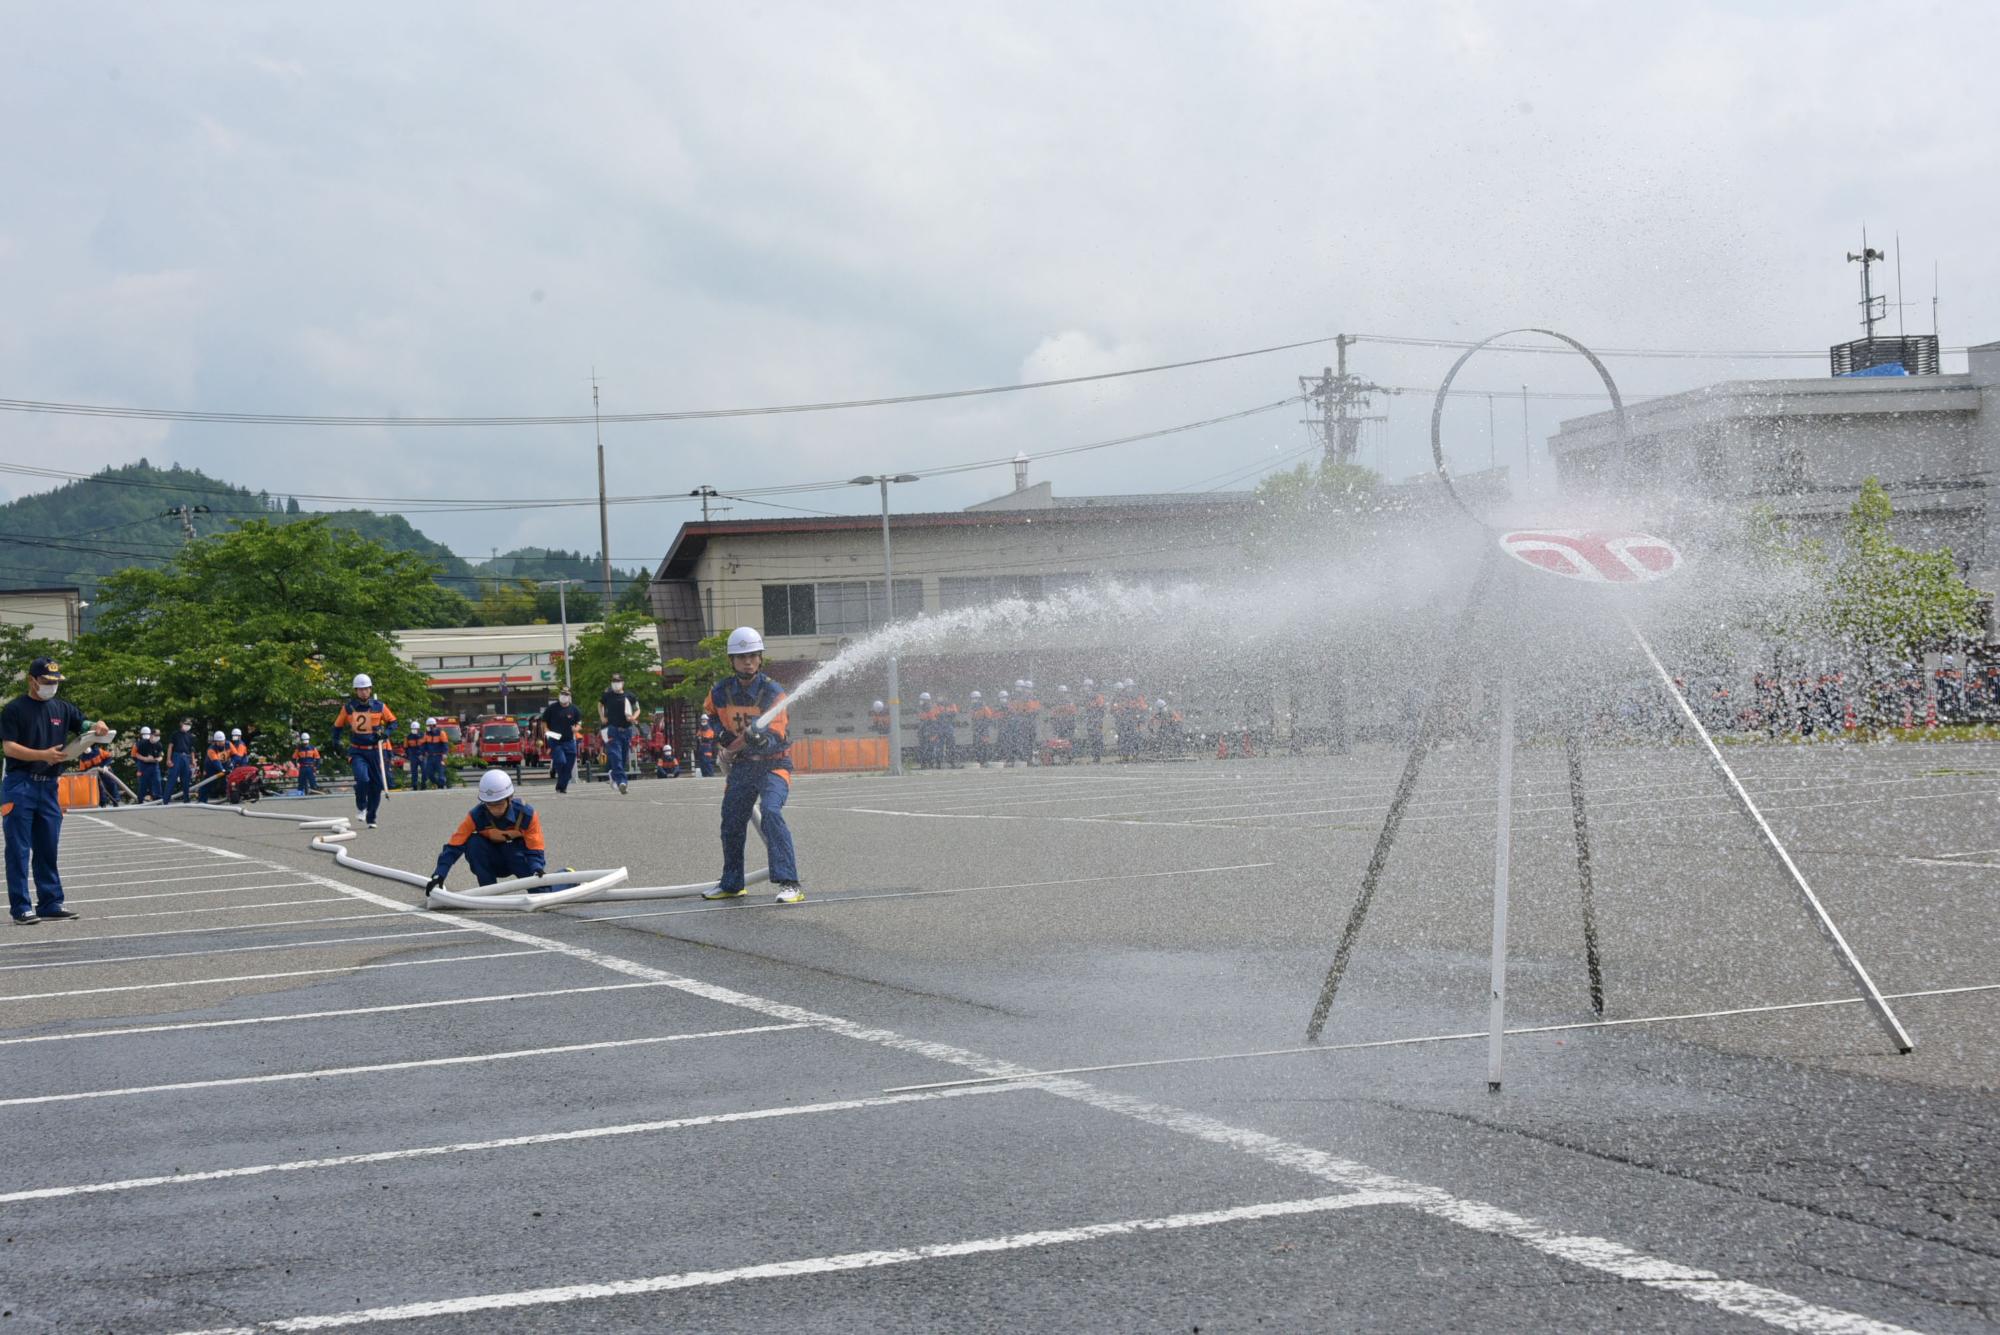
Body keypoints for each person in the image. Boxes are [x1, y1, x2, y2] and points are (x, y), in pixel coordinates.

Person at [701, 627, 804, 905]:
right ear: (731, 661)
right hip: (743, 767)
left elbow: (779, 733)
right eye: (741, 656)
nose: (748, 661)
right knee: (731, 820)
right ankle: (732, 883)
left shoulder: (772, 691)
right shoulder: (720, 691)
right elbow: (708, 715)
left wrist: (762, 738)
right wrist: (719, 735)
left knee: (770, 812)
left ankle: (790, 883)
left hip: (774, 765)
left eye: (753, 656)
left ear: (760, 659)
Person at [1, 656, 107, 924]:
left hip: (49, 785)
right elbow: (9, 748)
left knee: (48, 846)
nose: (51, 686)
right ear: (32, 680)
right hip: (20, 783)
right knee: (19, 849)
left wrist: (97, 727)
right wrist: (42, 754)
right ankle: (21, 908)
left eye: (55, 681)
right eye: (46, 681)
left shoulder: (62, 708)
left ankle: (50, 902)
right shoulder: (15, 710)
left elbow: (83, 725)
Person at [423, 769, 558, 893]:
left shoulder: (526, 815)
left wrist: (536, 869)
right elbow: (454, 846)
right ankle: (489, 891)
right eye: (490, 805)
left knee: (542, 893)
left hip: (518, 859)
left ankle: (566, 876)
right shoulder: (476, 816)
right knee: (473, 843)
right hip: (493, 860)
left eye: (499, 804)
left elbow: (535, 848)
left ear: (509, 798)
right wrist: (439, 874)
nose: (494, 810)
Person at [331, 672, 396, 828]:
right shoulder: (348, 708)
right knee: (363, 779)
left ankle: (371, 817)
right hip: (357, 750)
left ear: (370, 689)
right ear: (356, 691)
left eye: (366, 689)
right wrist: (336, 742)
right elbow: (337, 727)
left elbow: (393, 722)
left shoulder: (380, 706)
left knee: (376, 785)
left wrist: (385, 734)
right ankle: (361, 806)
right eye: (360, 689)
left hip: (375, 750)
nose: (363, 692)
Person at [600, 673, 638, 794]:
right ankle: (622, 782)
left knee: (622, 757)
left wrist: (633, 717)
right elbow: (600, 704)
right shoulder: (607, 695)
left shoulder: (629, 696)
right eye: (614, 681)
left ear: (622, 683)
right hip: (613, 730)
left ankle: (613, 774)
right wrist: (602, 717)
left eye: (618, 681)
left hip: (626, 731)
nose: (616, 683)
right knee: (615, 756)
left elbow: (637, 708)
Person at [541, 689, 582, 793]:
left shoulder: (574, 709)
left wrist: (576, 729)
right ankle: (562, 784)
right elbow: (544, 721)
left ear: (570, 696)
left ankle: (561, 786)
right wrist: (546, 730)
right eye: (562, 694)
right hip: (556, 740)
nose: (564, 696)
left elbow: (579, 723)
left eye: (566, 694)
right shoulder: (552, 708)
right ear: (559, 695)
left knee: (569, 766)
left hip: (569, 741)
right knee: (560, 761)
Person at [77, 739, 122, 807]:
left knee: (111, 784)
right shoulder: (83, 758)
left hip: (105, 771)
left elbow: (108, 757)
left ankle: (116, 800)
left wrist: (105, 766)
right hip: (94, 774)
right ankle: (102, 803)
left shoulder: (98, 751)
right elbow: (83, 770)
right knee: (99, 788)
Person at [167, 718, 198, 803]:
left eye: (189, 724)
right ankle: (166, 800)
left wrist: (193, 760)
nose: (187, 726)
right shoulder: (175, 734)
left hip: (186, 757)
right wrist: (168, 759)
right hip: (177, 756)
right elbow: (170, 747)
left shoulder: (190, 736)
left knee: (186, 779)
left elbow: (192, 749)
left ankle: (186, 799)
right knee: (172, 778)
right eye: (186, 723)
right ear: (181, 723)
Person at [133, 725, 163, 802]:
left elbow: (161, 756)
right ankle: (140, 799)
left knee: (157, 781)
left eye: (159, 735)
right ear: (151, 735)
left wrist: (157, 759)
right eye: (156, 735)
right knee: (143, 782)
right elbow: (136, 754)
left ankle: (158, 798)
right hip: (143, 765)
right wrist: (144, 759)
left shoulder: (159, 744)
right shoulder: (142, 743)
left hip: (154, 765)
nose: (157, 737)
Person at [1081, 679, 1108, 764]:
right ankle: (1095, 756)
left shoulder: (1097, 696)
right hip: (1090, 720)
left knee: (1097, 737)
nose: (1085, 688)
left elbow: (1101, 708)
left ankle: (1098, 756)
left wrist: (1094, 713)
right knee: (1092, 738)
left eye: (1087, 686)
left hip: (1096, 720)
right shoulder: (1087, 697)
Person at [967, 690, 996, 767]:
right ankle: (978, 759)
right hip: (976, 729)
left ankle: (985, 760)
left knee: (984, 745)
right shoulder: (972, 709)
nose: (974, 700)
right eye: (972, 699)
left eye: (975, 698)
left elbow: (989, 719)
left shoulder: (984, 708)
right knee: (976, 745)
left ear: (979, 699)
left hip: (983, 730)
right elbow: (972, 719)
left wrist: (982, 724)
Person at [203, 730, 233, 802]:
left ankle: (224, 794)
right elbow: (216, 762)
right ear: (215, 742)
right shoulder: (211, 749)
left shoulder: (228, 744)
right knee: (210, 782)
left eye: (222, 741)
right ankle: (206, 797)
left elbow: (234, 755)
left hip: (223, 764)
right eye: (219, 742)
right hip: (211, 766)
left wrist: (231, 764)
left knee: (224, 781)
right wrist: (222, 770)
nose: (221, 743)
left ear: (224, 740)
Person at [422, 718, 451, 789]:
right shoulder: (426, 734)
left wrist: (445, 753)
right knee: (430, 774)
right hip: (430, 757)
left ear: (432, 725)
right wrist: (423, 753)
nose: (427, 727)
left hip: (439, 756)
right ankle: (438, 784)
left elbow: (445, 744)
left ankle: (442, 785)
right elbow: (423, 745)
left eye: (428, 726)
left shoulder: (441, 733)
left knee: (441, 773)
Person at [694, 712, 719, 777]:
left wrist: (700, 738)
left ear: (707, 721)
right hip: (702, 747)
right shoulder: (701, 729)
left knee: (707, 761)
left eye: (704, 720)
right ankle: (704, 774)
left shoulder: (710, 730)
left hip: (707, 747)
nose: (703, 721)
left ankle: (710, 774)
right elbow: (697, 736)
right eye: (702, 720)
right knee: (702, 761)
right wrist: (699, 737)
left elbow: (707, 739)